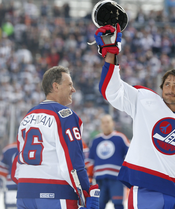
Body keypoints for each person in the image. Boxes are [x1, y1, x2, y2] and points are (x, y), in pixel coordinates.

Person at [94, 24, 175, 208]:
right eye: (167, 84)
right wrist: (110, 55)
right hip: (146, 188)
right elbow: (111, 91)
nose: (170, 89)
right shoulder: (145, 100)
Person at [11, 66, 99, 209]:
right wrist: (86, 193)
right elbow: (73, 163)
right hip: (56, 194)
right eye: (69, 84)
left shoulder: (28, 116)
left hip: (24, 194)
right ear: (55, 86)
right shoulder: (65, 115)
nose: (73, 89)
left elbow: (17, 163)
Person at [87, 114, 130, 209]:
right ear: (101, 125)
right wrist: (89, 178)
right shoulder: (95, 140)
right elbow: (91, 161)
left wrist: (128, 175)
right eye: (103, 123)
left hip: (117, 179)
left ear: (112, 123)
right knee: (99, 205)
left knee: (118, 204)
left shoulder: (120, 138)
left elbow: (129, 157)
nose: (106, 125)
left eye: (108, 122)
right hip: (99, 179)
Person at [0, 141, 18, 208]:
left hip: (10, 186)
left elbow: (2, 173)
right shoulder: (34, 147)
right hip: (28, 186)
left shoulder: (8, 149)